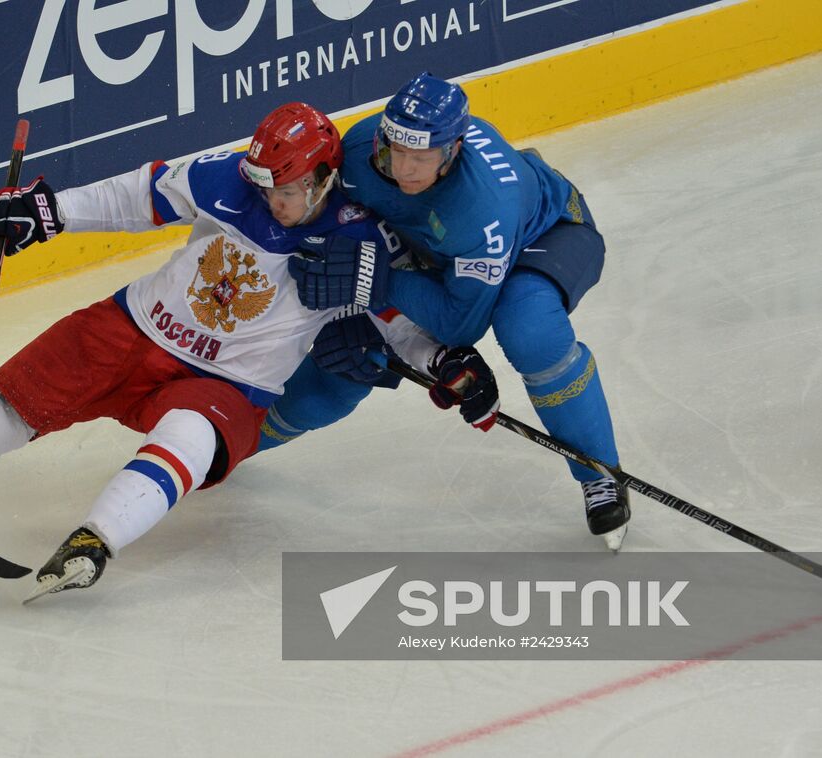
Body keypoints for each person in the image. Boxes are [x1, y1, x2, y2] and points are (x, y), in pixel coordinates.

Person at [0, 102, 406, 601]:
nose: (274, 201)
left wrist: (445, 366)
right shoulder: (226, 179)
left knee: (190, 436)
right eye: (265, 186)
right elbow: (138, 197)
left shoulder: (361, 241)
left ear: (326, 177)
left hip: (230, 382)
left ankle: (92, 543)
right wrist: (45, 211)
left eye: (289, 190)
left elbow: (399, 318)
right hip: (132, 329)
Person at [263, 72, 629, 547]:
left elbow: (460, 324)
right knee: (351, 356)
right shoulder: (358, 151)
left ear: (454, 150)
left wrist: (378, 280)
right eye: (398, 153)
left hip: (543, 236)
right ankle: (225, 444)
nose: (406, 170)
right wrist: (357, 307)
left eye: (423, 158)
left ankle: (599, 474)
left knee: (529, 329)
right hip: (437, 252)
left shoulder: (481, 207)